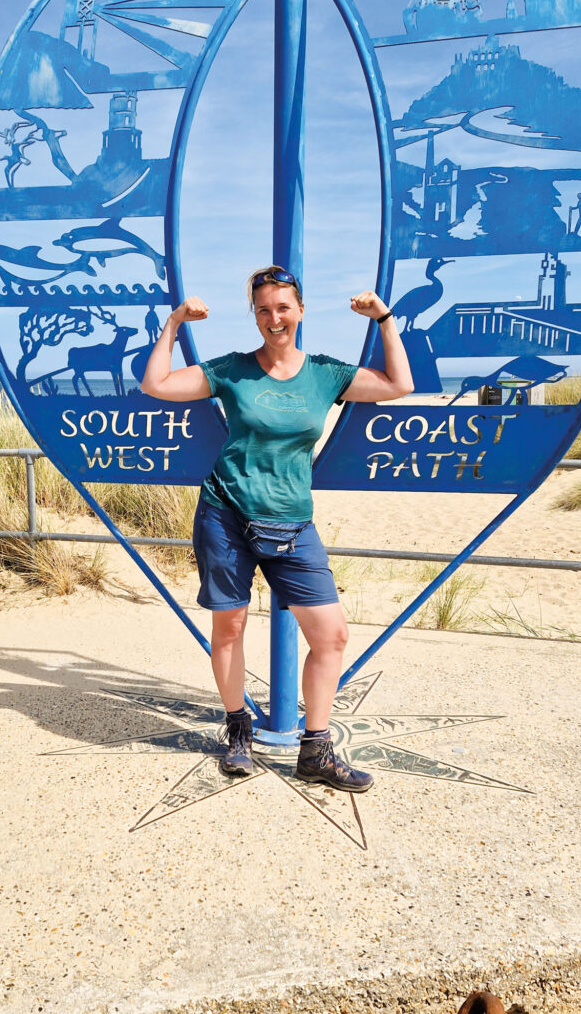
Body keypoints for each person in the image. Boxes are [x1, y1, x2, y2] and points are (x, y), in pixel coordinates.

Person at [141, 266, 414, 792]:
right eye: (264, 309)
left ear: (300, 311)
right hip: (226, 514)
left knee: (331, 636)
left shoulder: (326, 375)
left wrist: (384, 319)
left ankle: (315, 750)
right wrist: (174, 322)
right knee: (229, 628)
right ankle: (238, 729)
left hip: (292, 521)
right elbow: (156, 384)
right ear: (256, 315)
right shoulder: (233, 370)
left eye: (283, 307)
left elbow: (399, 384)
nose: (274, 318)